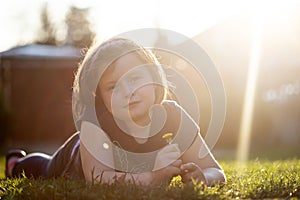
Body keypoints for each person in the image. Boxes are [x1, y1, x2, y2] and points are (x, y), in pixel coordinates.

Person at [6, 38, 226, 186]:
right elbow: (98, 178)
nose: (128, 92)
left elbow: (215, 171)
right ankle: (15, 163)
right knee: (43, 168)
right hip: (70, 160)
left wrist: (203, 178)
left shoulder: (174, 117)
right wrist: (151, 178)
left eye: (135, 78)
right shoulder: (95, 125)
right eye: (113, 86)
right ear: (100, 97)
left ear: (153, 77)